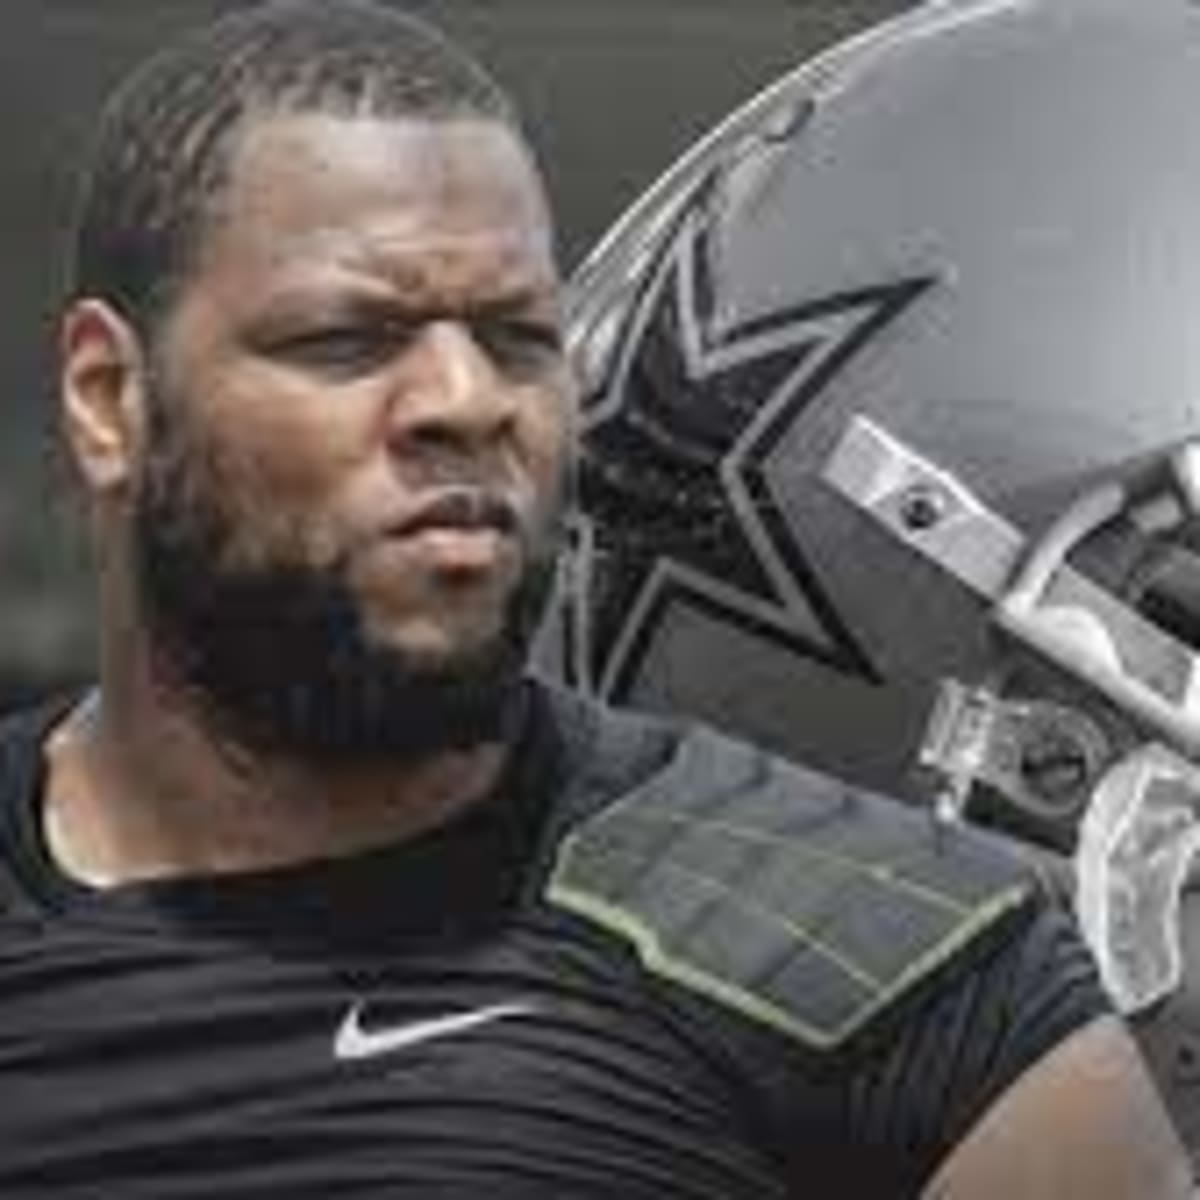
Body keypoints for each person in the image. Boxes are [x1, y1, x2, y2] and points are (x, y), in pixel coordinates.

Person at [0, 1, 1186, 1196]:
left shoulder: (924, 982)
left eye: (521, 337)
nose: (468, 399)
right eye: (347, 335)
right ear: (109, 399)